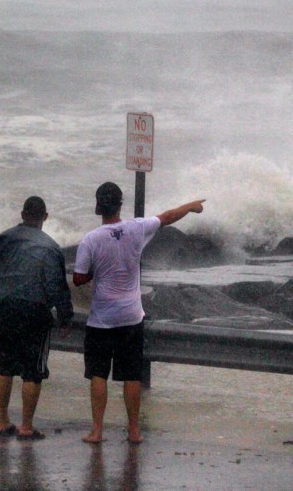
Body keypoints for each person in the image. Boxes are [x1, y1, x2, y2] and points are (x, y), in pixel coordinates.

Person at [72, 181, 205, 444]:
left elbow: (78, 278)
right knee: (132, 375)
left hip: (101, 319)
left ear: (98, 207)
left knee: (98, 374)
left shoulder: (91, 240)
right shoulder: (137, 228)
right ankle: (134, 431)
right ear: (120, 204)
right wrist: (189, 207)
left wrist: (95, 273)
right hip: (131, 317)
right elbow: (167, 217)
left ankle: (97, 431)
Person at [0, 196, 74, 441]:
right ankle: (26, 427)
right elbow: (56, 285)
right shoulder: (50, 247)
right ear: (45, 217)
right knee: (32, 371)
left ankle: (2, 421)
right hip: (34, 312)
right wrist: (65, 317)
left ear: (22, 214)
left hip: (3, 308)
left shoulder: (0, 240)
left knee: (3, 367)